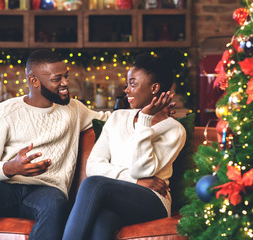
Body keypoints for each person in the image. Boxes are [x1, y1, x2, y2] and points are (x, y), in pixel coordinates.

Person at [0, 49, 111, 240]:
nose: (65, 83)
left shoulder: (74, 109)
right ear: (34, 81)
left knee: (55, 205)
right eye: (57, 79)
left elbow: (112, 120)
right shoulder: (4, 112)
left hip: (47, 190)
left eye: (66, 76)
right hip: (3, 187)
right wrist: (11, 167)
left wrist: (148, 115)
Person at [62, 51, 187, 240]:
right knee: (102, 222)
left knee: (93, 184)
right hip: (117, 198)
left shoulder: (174, 130)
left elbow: (141, 170)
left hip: (153, 201)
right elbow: (94, 165)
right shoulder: (117, 118)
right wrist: (135, 181)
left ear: (154, 88)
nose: (126, 90)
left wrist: (145, 120)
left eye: (133, 84)